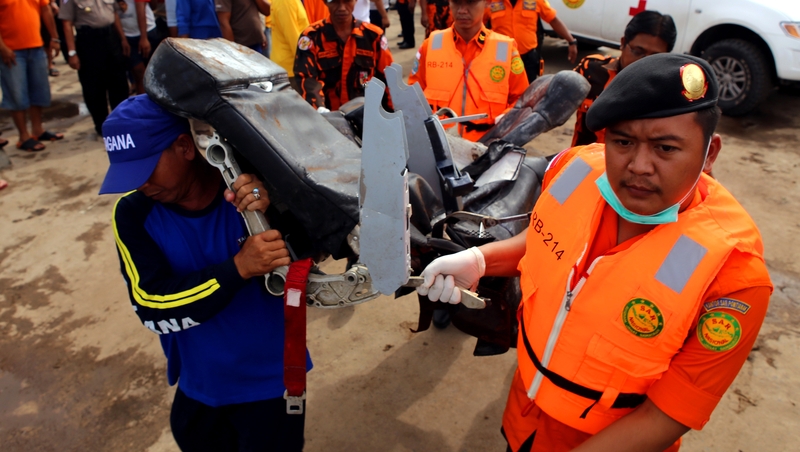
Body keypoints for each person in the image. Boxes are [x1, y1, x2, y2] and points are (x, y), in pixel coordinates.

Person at [417, 53, 773, 452]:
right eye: (623, 142)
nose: (638, 166)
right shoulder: (573, 170)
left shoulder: (733, 276)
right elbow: (545, 237)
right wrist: (482, 261)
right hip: (523, 415)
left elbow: (669, 413)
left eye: (666, 149)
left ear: (710, 154)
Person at [100, 94, 309, 451]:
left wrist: (279, 205)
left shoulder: (250, 185)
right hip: (200, 386)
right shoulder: (133, 214)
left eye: (146, 168)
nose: (140, 184)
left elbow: (311, 257)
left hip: (271, 384)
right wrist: (238, 268)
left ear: (185, 146)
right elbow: (152, 304)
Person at [407, 0, 529, 142]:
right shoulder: (432, 45)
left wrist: (506, 120)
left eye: (470, 3)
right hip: (438, 147)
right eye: (457, 3)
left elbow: (522, 99)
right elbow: (413, 96)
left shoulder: (505, 49)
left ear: (487, 3)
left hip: (487, 150)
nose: (462, 10)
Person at [572, 10, 676, 147]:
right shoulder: (591, 69)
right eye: (638, 52)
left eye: (654, 58)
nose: (643, 63)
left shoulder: (669, 93)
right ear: (623, 43)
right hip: (582, 163)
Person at [294, 0, 394, 111]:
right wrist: (320, 110)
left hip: (367, 115)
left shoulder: (373, 37)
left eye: (347, 1)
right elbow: (307, 79)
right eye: (335, 1)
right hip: (329, 117)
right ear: (325, 2)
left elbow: (389, 78)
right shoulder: (312, 37)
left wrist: (391, 114)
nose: (342, 7)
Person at [60, 0, 131, 137]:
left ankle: (122, 123)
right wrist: (72, 53)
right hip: (89, 41)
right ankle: (102, 125)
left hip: (111, 38)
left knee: (119, 83)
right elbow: (67, 23)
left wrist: (122, 39)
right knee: (94, 87)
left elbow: (114, 13)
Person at [0, 0, 64, 151]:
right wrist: (2, 48)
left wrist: (54, 38)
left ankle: (38, 130)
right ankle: (24, 137)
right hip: (11, 50)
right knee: (17, 95)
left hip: (36, 46)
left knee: (39, 91)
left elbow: (46, 10)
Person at [486, 0, 576, 82]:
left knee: (528, 93)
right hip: (501, 55)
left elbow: (553, 20)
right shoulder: (490, 2)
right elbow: (478, 24)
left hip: (528, 57)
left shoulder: (536, 1)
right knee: (501, 90)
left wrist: (571, 41)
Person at [118, 0, 160, 94]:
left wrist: (144, 37)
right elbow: (114, 13)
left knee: (153, 73)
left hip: (147, 31)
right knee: (138, 73)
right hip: (128, 34)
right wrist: (123, 39)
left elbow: (141, 7)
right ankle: (142, 104)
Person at [271, 0, 309, 92]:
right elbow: (294, 39)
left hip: (290, 66)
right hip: (292, 68)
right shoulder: (287, 2)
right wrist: (308, 64)